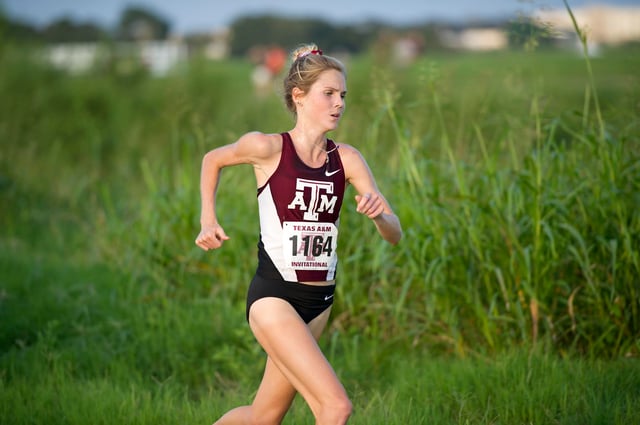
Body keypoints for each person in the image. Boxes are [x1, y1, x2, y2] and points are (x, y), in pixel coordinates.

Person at [195, 43, 402, 425]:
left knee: (264, 416)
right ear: (299, 96)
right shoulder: (268, 147)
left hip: (318, 302)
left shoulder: (348, 159)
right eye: (329, 94)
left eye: (343, 95)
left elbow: (394, 233)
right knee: (335, 407)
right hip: (273, 297)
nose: (339, 103)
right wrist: (208, 219)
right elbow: (213, 159)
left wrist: (378, 217)